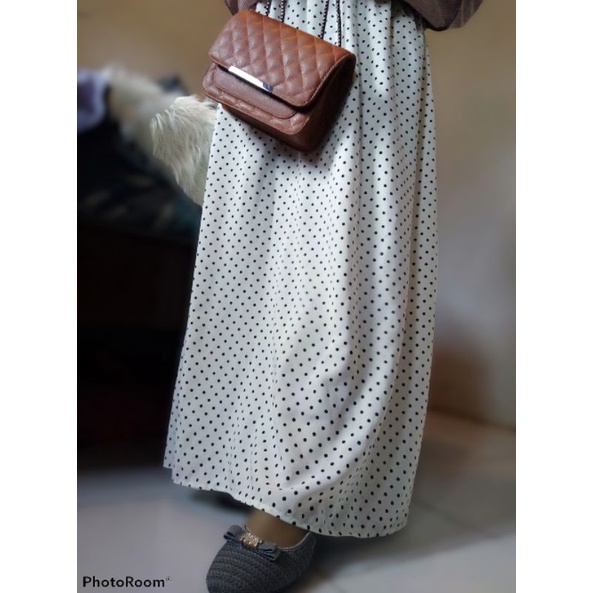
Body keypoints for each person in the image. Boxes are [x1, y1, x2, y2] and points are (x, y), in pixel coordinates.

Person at [163, 1, 482, 592]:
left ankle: (291, 500)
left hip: (369, 54)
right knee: (249, 274)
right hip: (268, 49)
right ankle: (246, 459)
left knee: (341, 290)